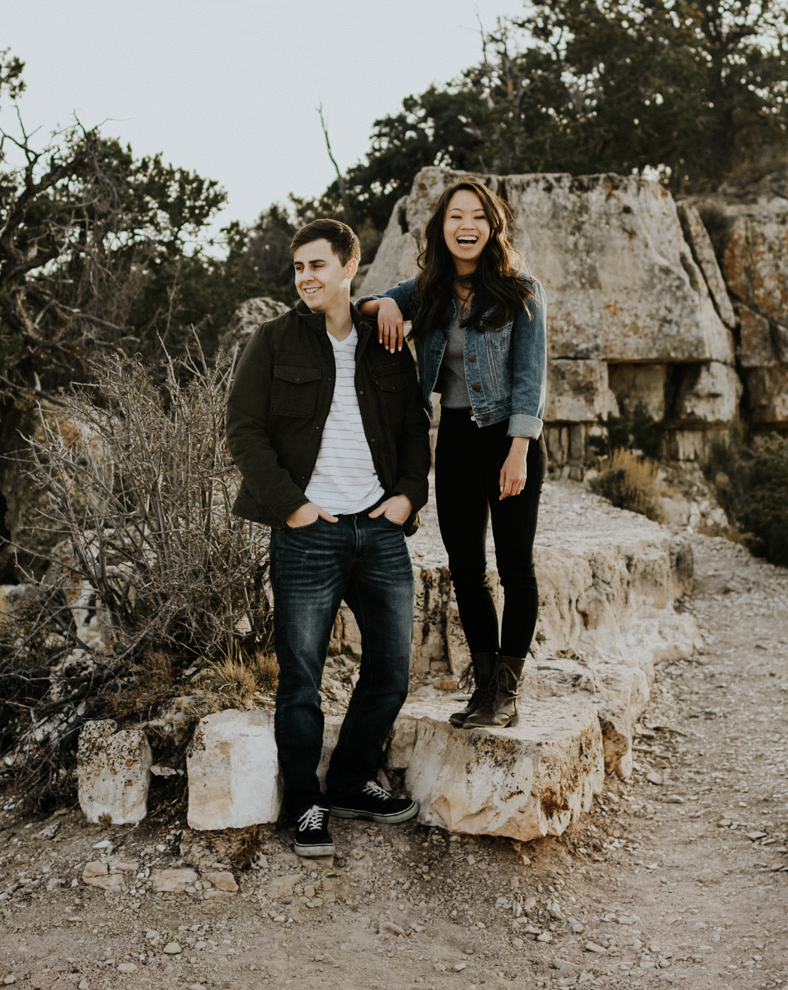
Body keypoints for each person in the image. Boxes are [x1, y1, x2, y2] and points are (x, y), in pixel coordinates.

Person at [225, 218, 430, 858]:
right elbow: (244, 429)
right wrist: (291, 507)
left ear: (349, 267)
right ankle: (305, 804)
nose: (306, 278)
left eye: (318, 265)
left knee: (392, 670)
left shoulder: (386, 341)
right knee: (301, 680)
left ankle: (347, 781)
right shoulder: (274, 340)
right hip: (309, 535)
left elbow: (414, 430)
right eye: (298, 268)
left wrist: (407, 497)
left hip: (379, 528)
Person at [359, 178, 547, 730]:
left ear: (492, 227)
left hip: (512, 441)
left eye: (477, 217)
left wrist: (518, 451)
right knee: (465, 568)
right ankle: (484, 689)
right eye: (455, 217)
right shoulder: (428, 290)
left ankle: (506, 694)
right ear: (442, 228)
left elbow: (530, 379)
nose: (467, 226)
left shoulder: (522, 290)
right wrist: (384, 308)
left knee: (515, 566)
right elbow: (363, 304)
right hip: (458, 440)